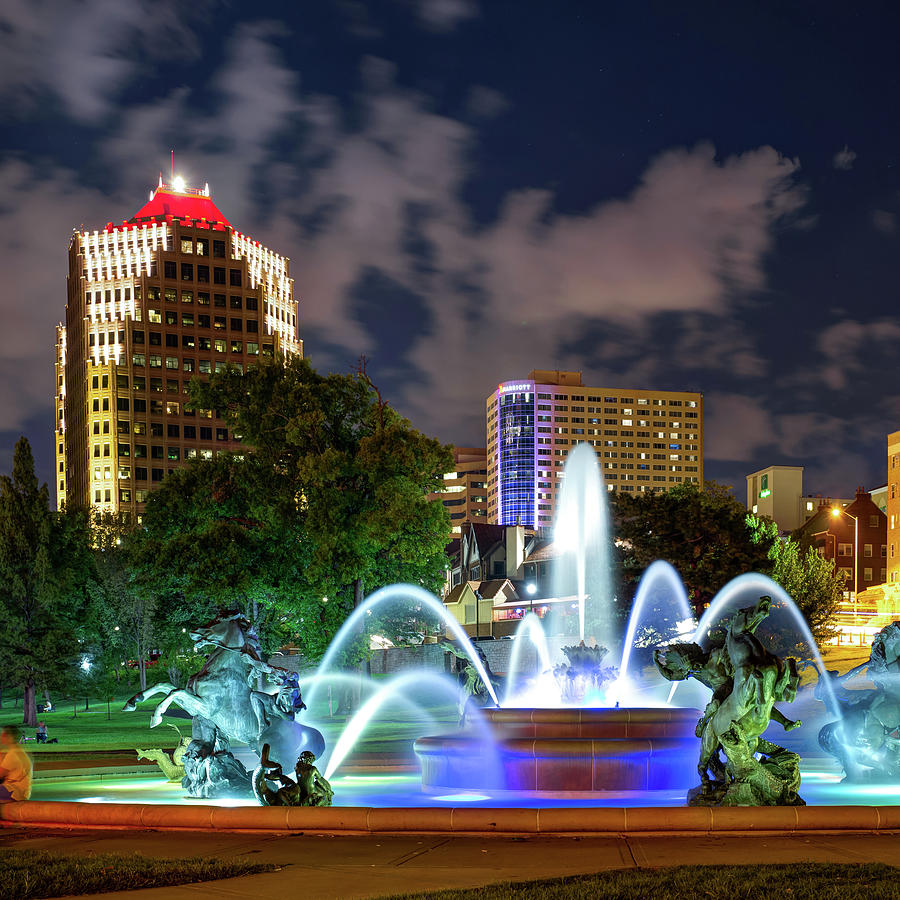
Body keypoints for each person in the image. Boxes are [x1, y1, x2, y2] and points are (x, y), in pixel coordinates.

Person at [0, 725, 33, 801]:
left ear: (10, 737)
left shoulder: (13, 755)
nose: (1, 736)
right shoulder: (18, 751)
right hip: (21, 791)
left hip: (15, 791)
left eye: (4, 734)